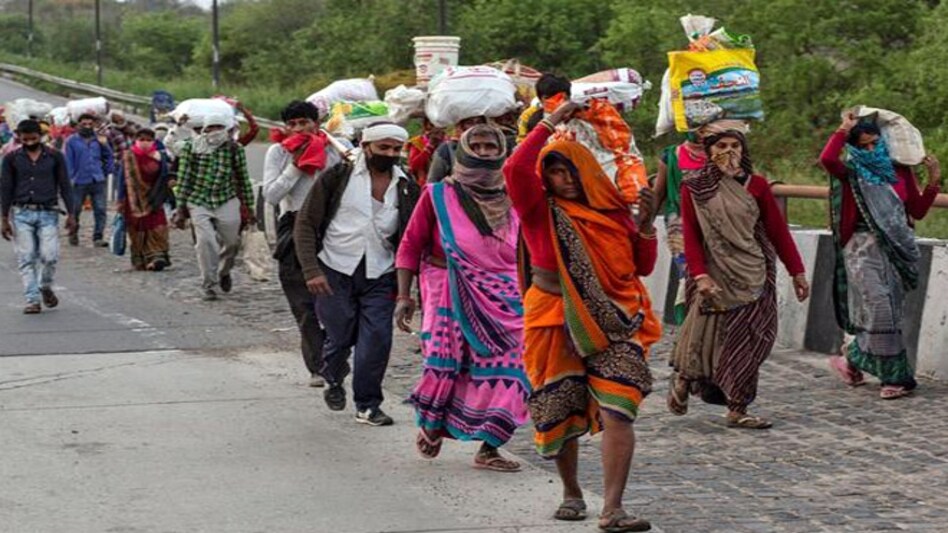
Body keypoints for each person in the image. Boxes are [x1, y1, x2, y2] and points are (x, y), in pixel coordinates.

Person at [505, 101, 659, 532]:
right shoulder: (539, 212)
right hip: (553, 319)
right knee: (561, 408)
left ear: (588, 172)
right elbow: (516, 170)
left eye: (572, 171)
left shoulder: (612, 214)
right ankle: (572, 492)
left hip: (616, 320)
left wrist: (645, 225)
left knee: (620, 409)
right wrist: (550, 123)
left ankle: (613, 509)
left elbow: (640, 267)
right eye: (555, 172)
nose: (566, 179)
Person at [394, 124, 530, 471]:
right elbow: (410, 244)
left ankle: (490, 446)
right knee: (445, 362)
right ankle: (432, 423)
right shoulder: (438, 194)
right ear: (464, 151)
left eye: (491, 146)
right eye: (478, 146)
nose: (484, 152)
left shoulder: (515, 193)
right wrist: (403, 296)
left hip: (505, 293)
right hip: (446, 288)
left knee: (513, 367)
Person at [669, 123, 810, 429]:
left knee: (756, 337)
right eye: (721, 147)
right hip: (715, 274)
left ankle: (736, 404)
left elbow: (777, 232)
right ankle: (691, 381)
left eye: (735, 146)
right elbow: (691, 235)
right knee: (708, 337)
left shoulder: (757, 186)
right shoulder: (695, 186)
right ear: (709, 152)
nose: (729, 152)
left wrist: (797, 271)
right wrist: (701, 276)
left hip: (754, 273)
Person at [294, 123, 421, 426]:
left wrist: (409, 287)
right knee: (339, 337)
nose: (389, 154)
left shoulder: (406, 187)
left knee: (377, 338)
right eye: (383, 148)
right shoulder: (338, 178)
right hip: (335, 269)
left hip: (381, 272)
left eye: (395, 149)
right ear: (367, 147)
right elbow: (306, 224)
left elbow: (411, 238)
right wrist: (312, 270)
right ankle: (332, 374)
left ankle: (368, 404)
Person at [822, 111, 941, 399]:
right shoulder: (851, 172)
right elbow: (827, 159)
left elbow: (916, 211)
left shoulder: (899, 171)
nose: (872, 150)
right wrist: (843, 128)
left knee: (889, 311)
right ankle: (895, 378)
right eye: (864, 146)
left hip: (895, 250)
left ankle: (852, 357)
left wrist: (934, 179)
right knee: (880, 308)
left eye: (876, 143)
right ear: (854, 148)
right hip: (862, 249)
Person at [264, 100, 341, 389]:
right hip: (294, 225)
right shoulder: (279, 152)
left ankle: (336, 352)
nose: (299, 129)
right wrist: (297, 166)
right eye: (293, 124)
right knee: (304, 303)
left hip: (332, 227)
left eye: (304, 123)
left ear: (315, 123)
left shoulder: (334, 146)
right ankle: (318, 365)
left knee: (335, 298)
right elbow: (272, 195)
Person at [173, 114, 255, 301]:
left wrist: (249, 208)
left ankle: (224, 271)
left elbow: (243, 179)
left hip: (225, 198)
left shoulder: (235, 149)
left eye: (219, 127)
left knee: (232, 243)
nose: (215, 131)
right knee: (206, 241)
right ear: (204, 130)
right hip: (198, 200)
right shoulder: (191, 148)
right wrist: (180, 209)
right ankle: (208, 284)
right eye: (211, 127)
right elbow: (184, 179)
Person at [1, 120, 76, 314]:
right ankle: (32, 299)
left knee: (49, 256)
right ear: (19, 137)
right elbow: (6, 188)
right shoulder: (11, 159)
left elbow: (65, 186)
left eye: (33, 138)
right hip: (21, 214)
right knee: (26, 258)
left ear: (40, 136)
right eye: (25, 139)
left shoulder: (55, 156)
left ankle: (45, 285)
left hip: (48, 213)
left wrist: (72, 214)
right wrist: (3, 218)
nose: (29, 142)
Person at [651, 132, 708, 324]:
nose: (702, 132)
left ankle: (706, 326)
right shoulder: (671, 156)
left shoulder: (723, 152)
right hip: (680, 225)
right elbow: (657, 194)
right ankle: (687, 323)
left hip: (713, 224)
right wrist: (643, 228)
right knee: (691, 275)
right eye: (698, 127)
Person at [116, 128, 172, 271]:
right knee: (137, 228)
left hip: (154, 198)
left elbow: (165, 176)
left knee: (157, 226)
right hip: (133, 200)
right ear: (136, 141)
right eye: (141, 140)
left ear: (154, 141)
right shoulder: (129, 156)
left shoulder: (160, 156)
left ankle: (157, 257)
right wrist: (120, 199)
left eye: (148, 140)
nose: (145, 143)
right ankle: (140, 258)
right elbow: (122, 179)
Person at [64, 113, 114, 248]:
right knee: (75, 210)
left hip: (98, 179)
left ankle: (98, 236)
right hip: (79, 180)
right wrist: (69, 179)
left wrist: (107, 170)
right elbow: (68, 161)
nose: (87, 126)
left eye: (90, 124)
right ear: (78, 125)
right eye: (84, 124)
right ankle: (73, 232)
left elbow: (109, 156)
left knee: (100, 209)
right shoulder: (71, 141)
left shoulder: (99, 139)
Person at [427, 116, 487, 183]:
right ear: (461, 126)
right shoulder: (447, 149)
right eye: (469, 123)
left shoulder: (491, 147)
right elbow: (432, 183)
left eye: (479, 122)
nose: (475, 127)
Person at [406, 118, 445, 185]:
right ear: (426, 126)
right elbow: (413, 166)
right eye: (431, 125)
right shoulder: (417, 142)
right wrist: (430, 146)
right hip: (423, 184)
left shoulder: (448, 142)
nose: (435, 128)